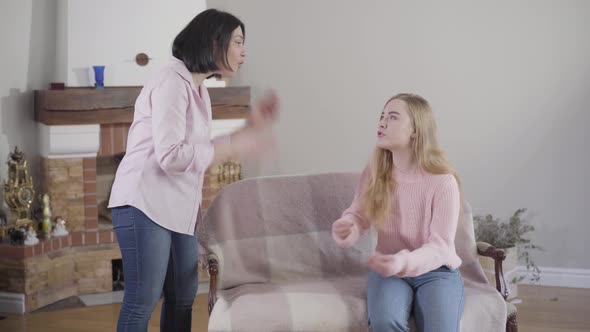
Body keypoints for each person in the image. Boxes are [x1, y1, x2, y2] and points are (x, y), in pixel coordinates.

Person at [108, 9, 278, 332]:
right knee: (142, 299)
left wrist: (247, 131)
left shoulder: (198, 89)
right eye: (238, 41)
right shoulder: (172, 82)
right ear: (214, 42)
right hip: (143, 201)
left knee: (183, 294)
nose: (244, 51)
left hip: (177, 207)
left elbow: (198, 147)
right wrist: (233, 147)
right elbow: (171, 155)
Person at [332, 93, 464, 332]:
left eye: (392, 118)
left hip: (437, 271)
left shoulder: (443, 182)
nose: (381, 123)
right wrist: (348, 227)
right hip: (388, 269)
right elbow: (359, 215)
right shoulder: (375, 171)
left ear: (416, 130)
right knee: (385, 322)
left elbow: (440, 247)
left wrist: (402, 261)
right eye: (381, 117)